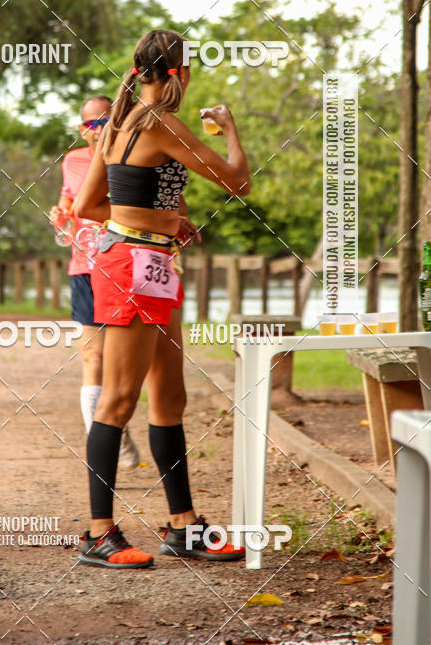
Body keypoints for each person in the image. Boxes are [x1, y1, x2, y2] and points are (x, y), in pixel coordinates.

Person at [75, 29, 251, 569]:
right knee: (117, 399)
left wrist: (162, 221)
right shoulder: (160, 123)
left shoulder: (120, 123)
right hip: (131, 267)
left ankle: (184, 527)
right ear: (181, 72)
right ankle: (98, 534)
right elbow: (238, 181)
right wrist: (230, 130)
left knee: (170, 397)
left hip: (153, 262)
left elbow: (88, 206)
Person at [49, 94, 141, 469]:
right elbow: (67, 204)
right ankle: (101, 450)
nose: (99, 129)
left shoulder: (130, 155)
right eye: (92, 123)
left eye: (106, 121)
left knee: (124, 363)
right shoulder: (71, 161)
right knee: (93, 356)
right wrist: (60, 215)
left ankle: (115, 424)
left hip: (122, 267)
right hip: (84, 268)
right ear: (81, 128)